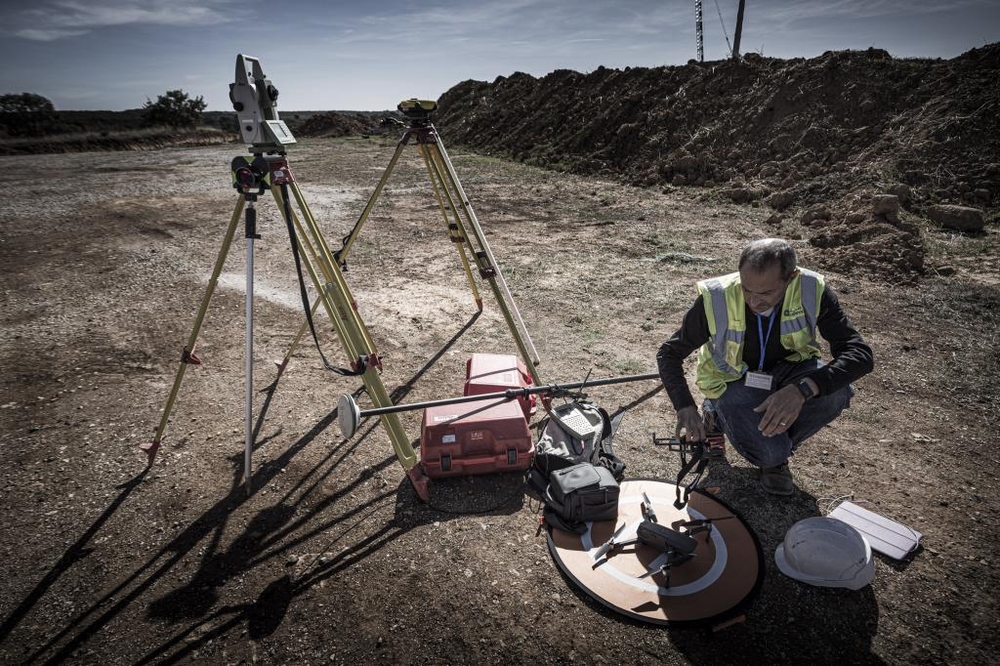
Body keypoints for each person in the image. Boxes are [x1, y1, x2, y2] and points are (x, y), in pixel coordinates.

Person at [656, 238, 873, 495]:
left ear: (791, 278)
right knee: (770, 454)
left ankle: (773, 445)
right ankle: (719, 416)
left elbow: (860, 354)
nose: (754, 301)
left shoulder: (810, 289)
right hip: (734, 381)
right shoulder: (716, 297)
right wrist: (684, 406)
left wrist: (803, 389)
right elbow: (669, 354)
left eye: (767, 293)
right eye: (747, 289)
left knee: (838, 392)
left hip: (791, 373)